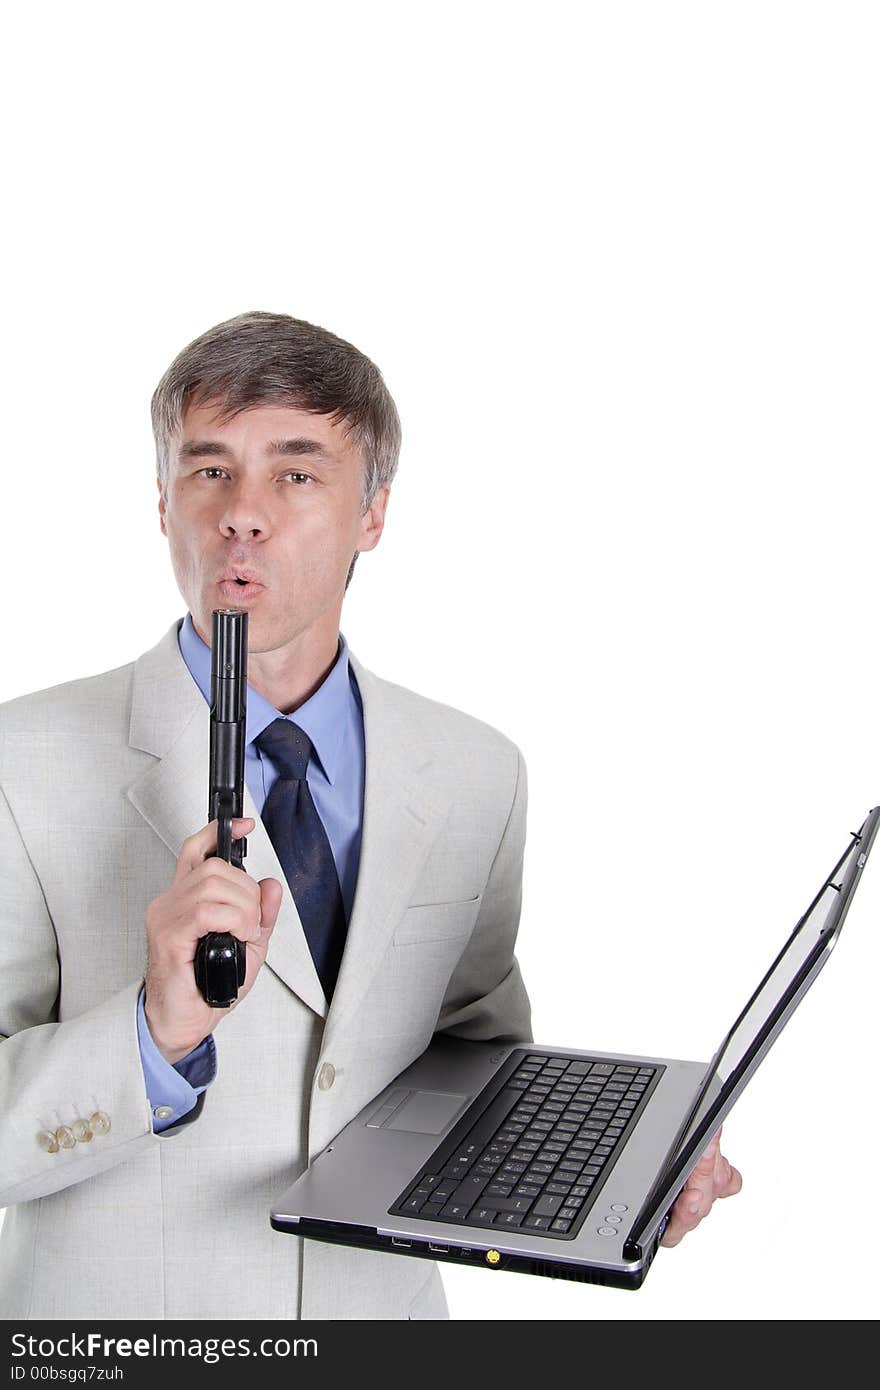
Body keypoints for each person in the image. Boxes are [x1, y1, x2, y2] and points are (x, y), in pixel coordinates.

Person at [0, 311, 740, 1320]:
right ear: (162, 504)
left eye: (297, 473)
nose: (243, 515)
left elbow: (469, 1066)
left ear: (374, 511)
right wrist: (150, 1034)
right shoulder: (21, 762)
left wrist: (631, 1169)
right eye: (209, 470)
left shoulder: (477, 771)